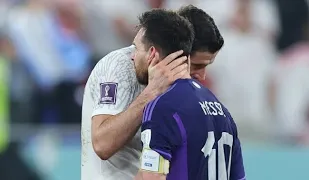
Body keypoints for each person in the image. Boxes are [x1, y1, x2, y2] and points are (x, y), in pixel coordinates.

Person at [81, 5, 225, 180]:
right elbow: (102, 144)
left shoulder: (186, 95)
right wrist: (152, 92)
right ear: (175, 54)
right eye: (197, 65)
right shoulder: (119, 67)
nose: (202, 76)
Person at [134, 11, 245, 180]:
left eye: (136, 49)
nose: (202, 75)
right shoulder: (223, 113)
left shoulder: (163, 106)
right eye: (198, 65)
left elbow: (151, 177)